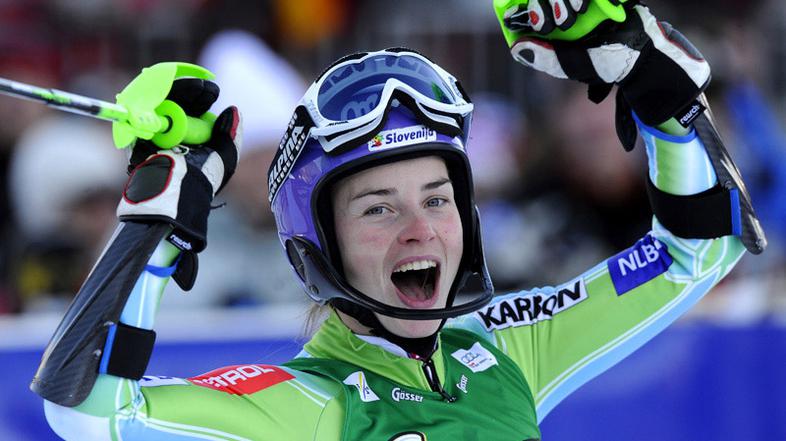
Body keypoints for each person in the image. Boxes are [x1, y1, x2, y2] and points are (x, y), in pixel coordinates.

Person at [35, 2, 765, 440]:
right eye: (378, 208)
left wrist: (657, 89)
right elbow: (88, 413)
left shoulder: (512, 349)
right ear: (318, 245)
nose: (420, 230)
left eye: (438, 199)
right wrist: (156, 221)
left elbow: (695, 250)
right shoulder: (309, 403)